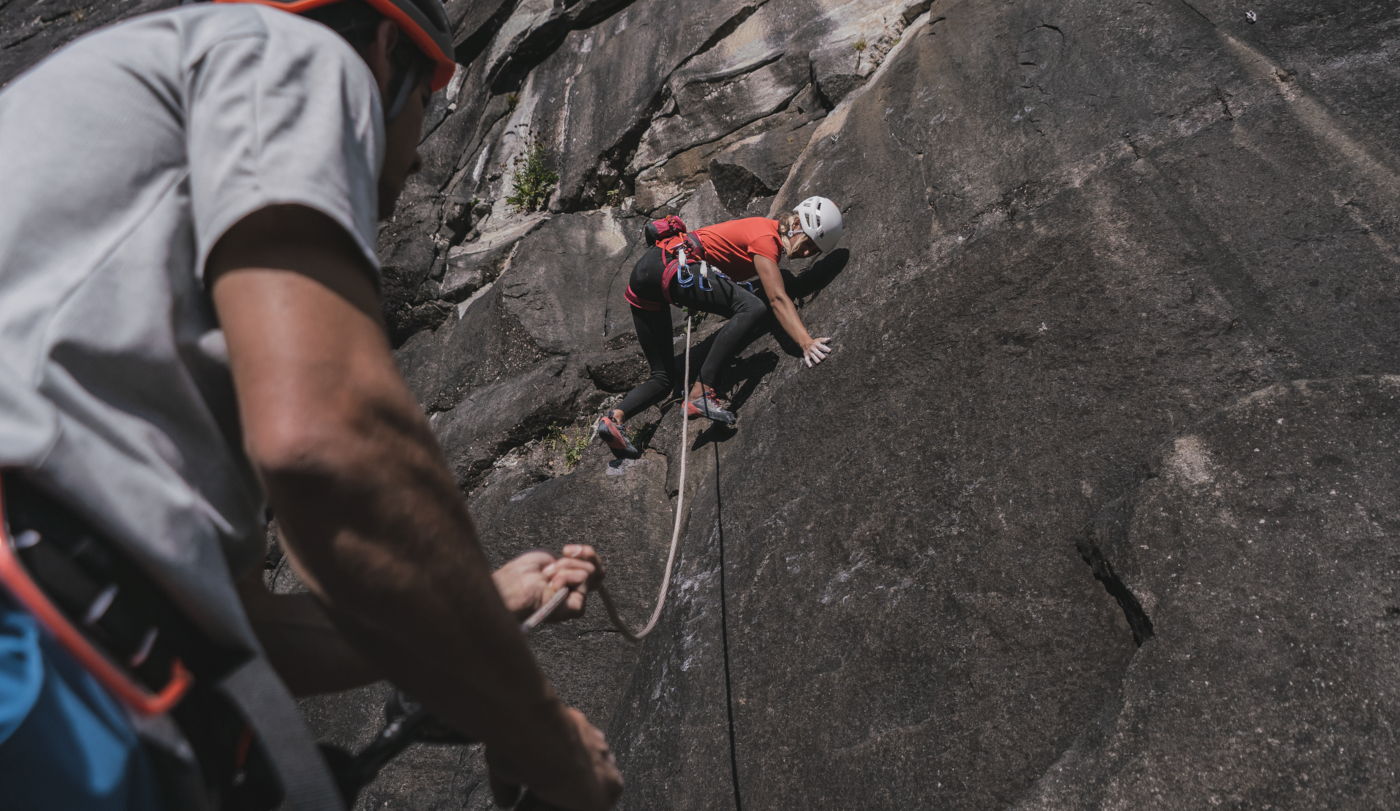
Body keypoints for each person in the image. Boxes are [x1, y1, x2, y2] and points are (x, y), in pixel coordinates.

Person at [0, 1, 623, 810]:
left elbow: (249, 630)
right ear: (390, 50)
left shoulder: (69, 186)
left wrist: (475, 608)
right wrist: (544, 741)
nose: (415, 165)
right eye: (429, 106)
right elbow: (330, 446)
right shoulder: (292, 55)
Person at [595, 198, 844, 458]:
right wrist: (806, 342)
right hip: (672, 265)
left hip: (646, 277)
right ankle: (701, 391)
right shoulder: (766, 236)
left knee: (664, 379)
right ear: (795, 224)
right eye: (809, 244)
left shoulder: (761, 233)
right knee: (754, 307)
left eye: (814, 253)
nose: (806, 254)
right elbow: (777, 298)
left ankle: (614, 419)